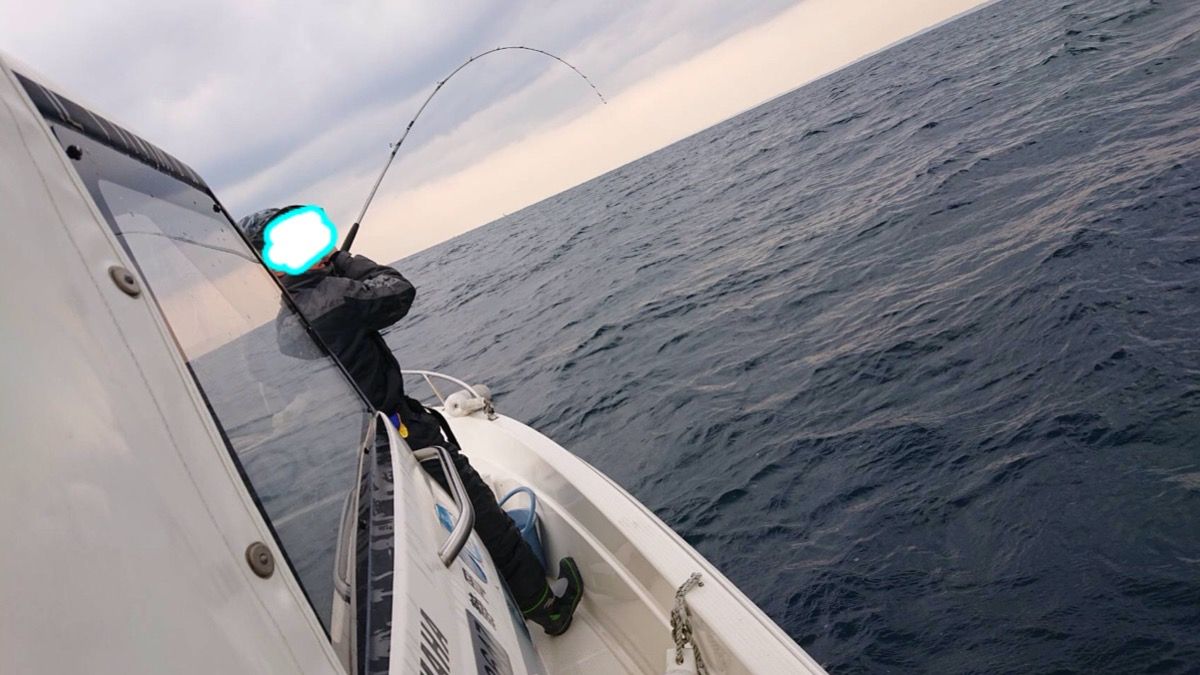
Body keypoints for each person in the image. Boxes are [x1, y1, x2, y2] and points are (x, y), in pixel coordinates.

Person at [238, 205, 584, 635]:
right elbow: (398, 290)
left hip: (369, 442)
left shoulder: (288, 322)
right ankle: (547, 608)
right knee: (483, 514)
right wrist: (343, 261)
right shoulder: (335, 297)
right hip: (402, 428)